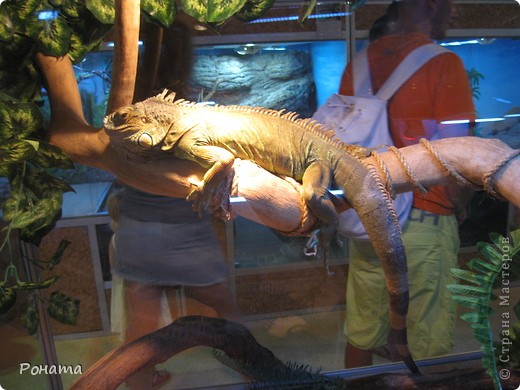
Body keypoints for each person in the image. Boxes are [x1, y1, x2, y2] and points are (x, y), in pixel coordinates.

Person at [338, 0, 476, 368]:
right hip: (425, 221)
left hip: (369, 217)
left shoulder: (360, 64)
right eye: (453, 4)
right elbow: (458, 155)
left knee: (362, 330)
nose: (457, 12)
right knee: (425, 340)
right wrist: (459, 203)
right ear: (431, 6)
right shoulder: (444, 64)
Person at [108, 184, 241, 389]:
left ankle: (256, 369)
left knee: (141, 331)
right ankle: (259, 371)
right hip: (168, 222)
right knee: (225, 309)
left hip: (153, 224)